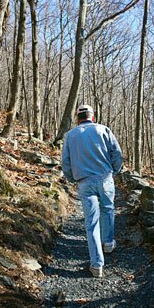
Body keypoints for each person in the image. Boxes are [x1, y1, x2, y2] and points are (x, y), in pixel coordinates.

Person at [61, 104, 123, 278]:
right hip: (105, 178)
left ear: (77, 119)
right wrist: (114, 170)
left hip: (84, 182)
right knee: (108, 209)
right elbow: (117, 154)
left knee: (91, 222)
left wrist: (73, 178)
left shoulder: (70, 135)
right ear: (92, 117)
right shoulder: (103, 130)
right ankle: (108, 243)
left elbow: (65, 162)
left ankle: (96, 265)